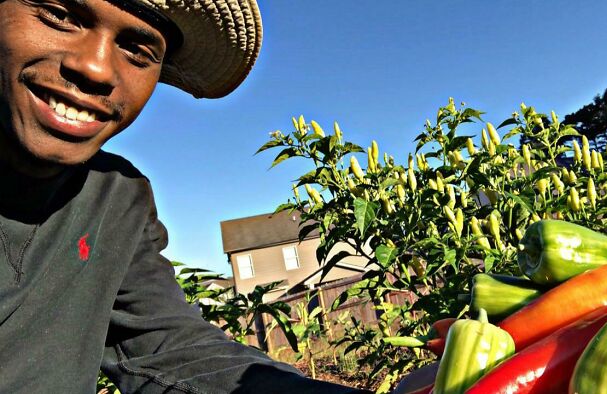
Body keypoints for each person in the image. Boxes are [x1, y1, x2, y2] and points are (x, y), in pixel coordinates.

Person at [0, 0, 374, 392]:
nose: (95, 67)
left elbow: (170, 350)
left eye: (138, 51)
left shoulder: (116, 196)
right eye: (61, 16)